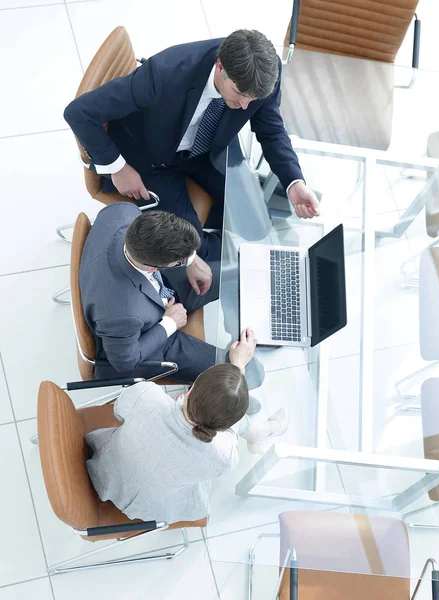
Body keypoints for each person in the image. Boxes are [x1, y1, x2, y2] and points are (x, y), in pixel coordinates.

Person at [64, 29, 320, 262]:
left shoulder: (265, 74)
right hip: (152, 163)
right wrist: (118, 168)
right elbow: (78, 113)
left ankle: (228, 248)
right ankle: (222, 263)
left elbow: (271, 130)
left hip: (207, 151)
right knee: (193, 247)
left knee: (256, 223)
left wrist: (294, 182)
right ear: (220, 66)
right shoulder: (165, 73)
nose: (245, 106)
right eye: (239, 94)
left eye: (253, 100)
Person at [86, 333, 289, 523]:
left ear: (192, 386)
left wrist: (236, 368)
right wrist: (238, 367)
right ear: (225, 427)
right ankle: (260, 432)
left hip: (105, 470)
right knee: (234, 427)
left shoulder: (146, 394)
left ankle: (259, 431)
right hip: (147, 508)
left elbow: (118, 411)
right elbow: (230, 430)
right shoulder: (224, 456)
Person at [80, 201, 264, 398]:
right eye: (180, 262)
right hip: (152, 335)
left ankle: (259, 328)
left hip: (161, 287)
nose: (186, 262)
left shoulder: (124, 212)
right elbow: (125, 361)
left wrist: (191, 259)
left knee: (242, 274)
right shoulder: (121, 314)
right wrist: (169, 323)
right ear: (153, 268)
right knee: (252, 372)